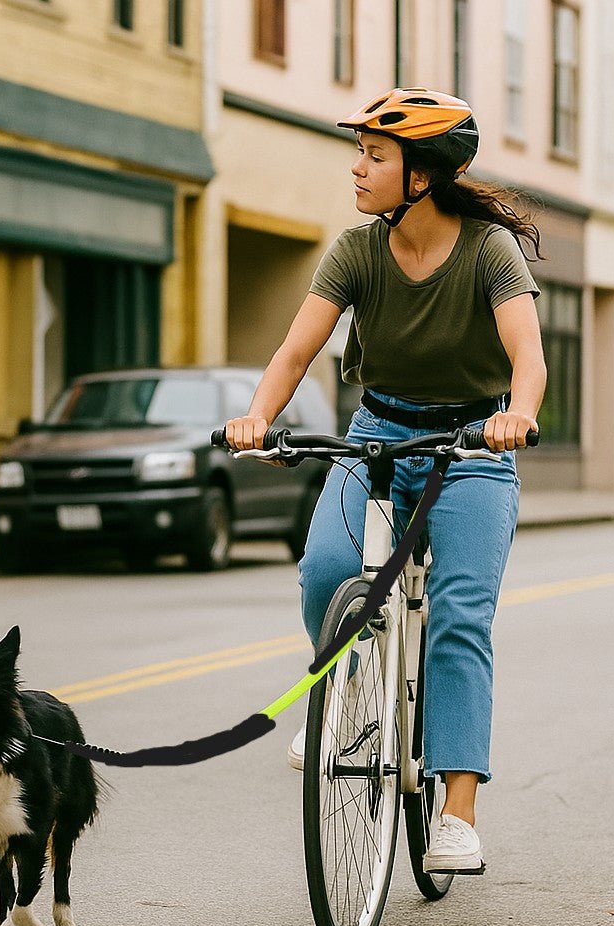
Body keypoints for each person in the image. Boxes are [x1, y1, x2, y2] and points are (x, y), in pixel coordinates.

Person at [224, 88, 546, 873]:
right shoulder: (357, 250)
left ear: (423, 176)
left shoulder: (487, 252)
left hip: (470, 441)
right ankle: (346, 686)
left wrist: (517, 415)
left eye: (376, 156)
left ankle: (457, 813)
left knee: (461, 615)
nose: (358, 168)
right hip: (377, 433)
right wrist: (258, 417)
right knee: (329, 572)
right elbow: (296, 350)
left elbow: (527, 360)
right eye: (360, 152)